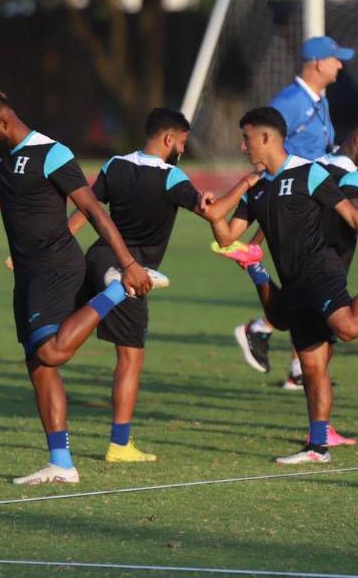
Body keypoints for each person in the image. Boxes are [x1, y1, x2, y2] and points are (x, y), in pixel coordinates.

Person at [0, 88, 154, 485]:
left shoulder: (52, 153)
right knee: (39, 367)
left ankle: (112, 290)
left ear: (4, 122)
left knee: (52, 352)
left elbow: (93, 210)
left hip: (57, 267)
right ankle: (61, 464)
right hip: (26, 273)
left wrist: (127, 265)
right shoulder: (0, 153)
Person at [206, 107, 358, 464]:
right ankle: (318, 448)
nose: (243, 146)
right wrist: (229, 195)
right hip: (294, 282)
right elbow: (227, 238)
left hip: (321, 270)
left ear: (266, 137)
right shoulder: (256, 190)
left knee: (348, 328)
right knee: (313, 366)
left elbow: (353, 216)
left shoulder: (309, 172)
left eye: (247, 138)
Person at [65, 108, 215, 463]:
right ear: (168, 139)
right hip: (129, 271)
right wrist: (244, 185)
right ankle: (120, 445)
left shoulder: (114, 164)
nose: (182, 148)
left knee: (66, 335)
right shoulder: (171, 177)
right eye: (181, 141)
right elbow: (209, 211)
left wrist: (52, 245)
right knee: (130, 357)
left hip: (97, 259)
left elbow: (87, 210)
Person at [244, 36, 357, 388]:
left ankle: (295, 366)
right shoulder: (291, 103)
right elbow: (268, 149)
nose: (340, 65)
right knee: (320, 275)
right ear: (318, 63)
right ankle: (263, 328)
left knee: (320, 276)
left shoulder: (318, 99)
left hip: (314, 200)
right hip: (298, 205)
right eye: (336, 59)